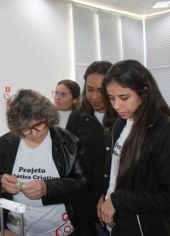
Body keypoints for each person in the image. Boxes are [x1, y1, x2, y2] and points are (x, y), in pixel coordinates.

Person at [97, 60, 170, 236]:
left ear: (145, 92)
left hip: (147, 227)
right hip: (118, 224)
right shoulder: (120, 124)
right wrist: (106, 195)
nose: (116, 105)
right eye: (111, 98)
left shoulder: (166, 130)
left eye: (124, 97)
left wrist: (118, 200)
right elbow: (115, 172)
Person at [0, 89, 90, 236]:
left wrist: (48, 188)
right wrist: (1, 181)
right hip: (15, 228)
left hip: (59, 229)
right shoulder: (7, 143)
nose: (33, 133)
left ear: (47, 118)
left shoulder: (68, 143)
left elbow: (84, 182)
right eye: (25, 129)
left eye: (38, 126)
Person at [66, 61, 112, 236]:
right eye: (90, 89)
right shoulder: (77, 117)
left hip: (115, 201)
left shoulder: (123, 118)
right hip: (85, 201)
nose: (94, 96)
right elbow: (69, 160)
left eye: (101, 90)